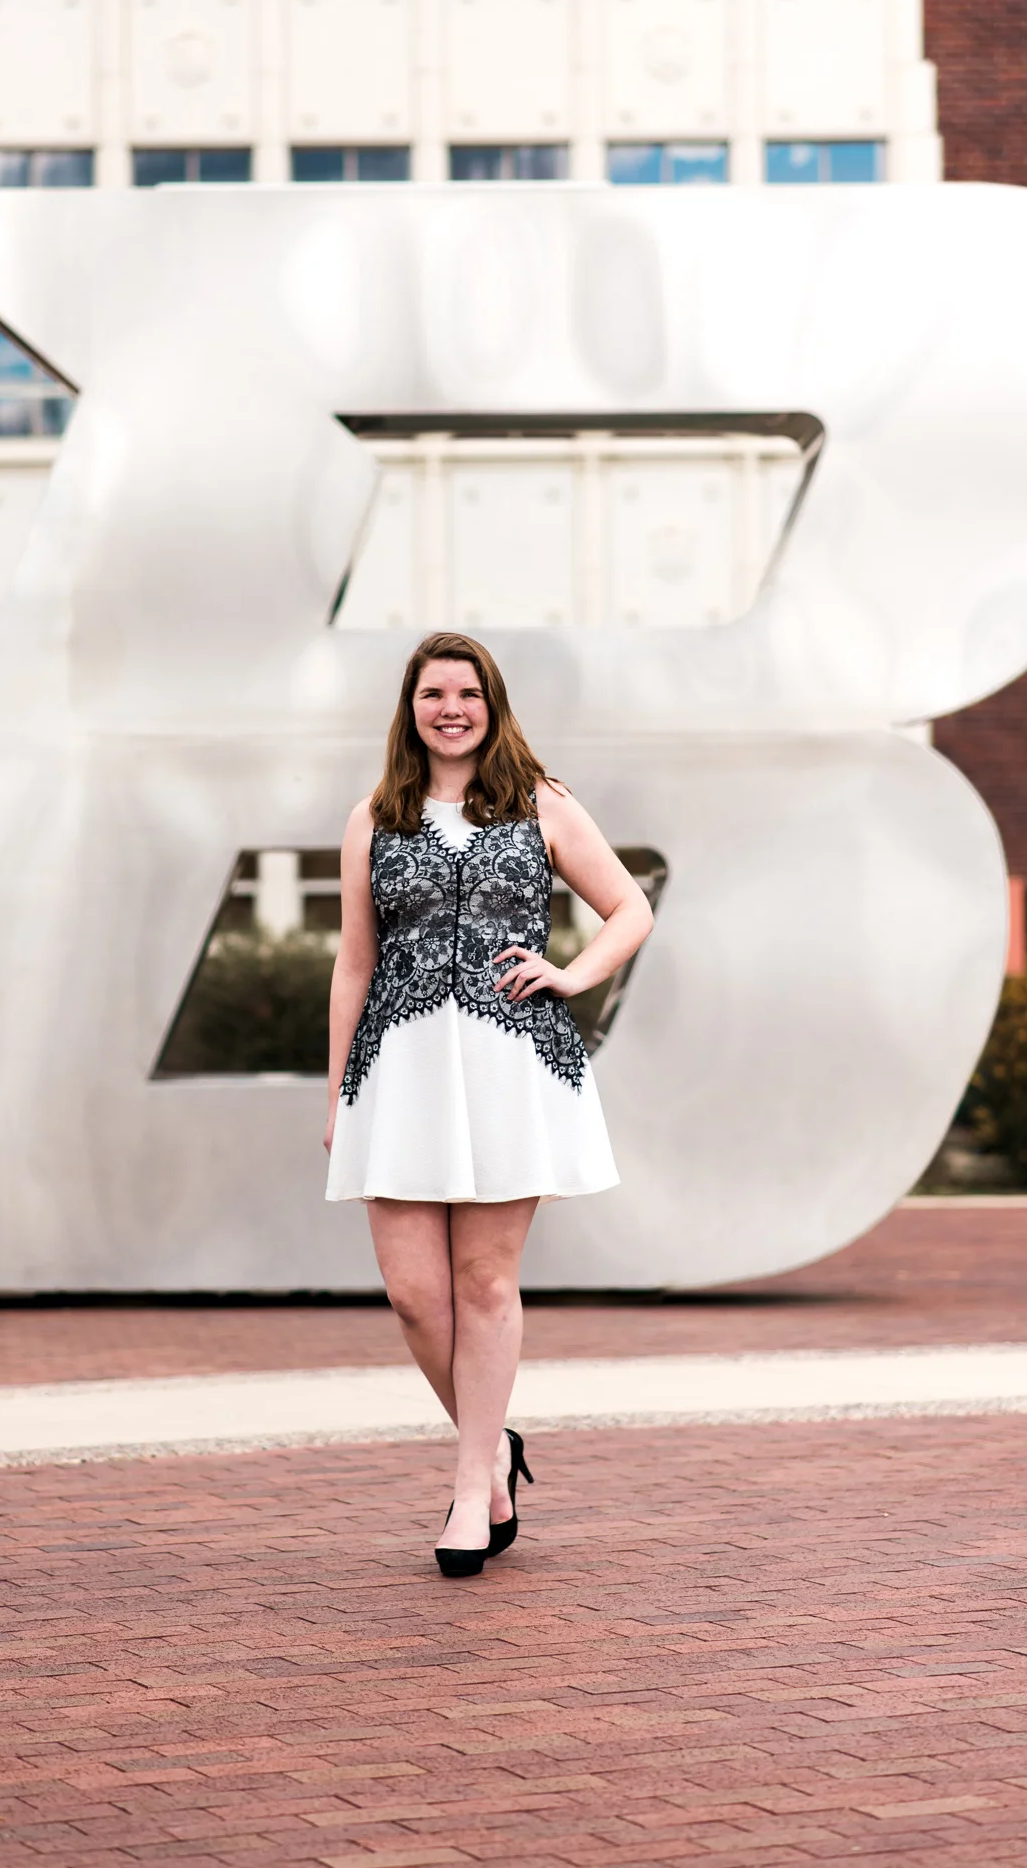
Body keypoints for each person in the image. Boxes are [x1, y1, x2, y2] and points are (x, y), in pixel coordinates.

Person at [324, 631, 654, 1576]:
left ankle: (473, 1488)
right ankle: (496, 1446)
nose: (451, 709)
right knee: (415, 1298)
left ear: (492, 704)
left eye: (467, 693)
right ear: (411, 708)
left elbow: (629, 909)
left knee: (482, 1284)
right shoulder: (373, 817)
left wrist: (572, 974)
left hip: (510, 1064)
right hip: (397, 1070)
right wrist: (338, 1090)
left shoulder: (542, 803)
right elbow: (353, 962)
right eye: (434, 694)